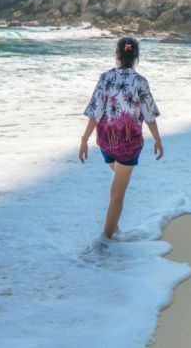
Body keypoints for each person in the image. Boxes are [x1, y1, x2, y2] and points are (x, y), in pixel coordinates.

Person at [79, 37, 163, 242]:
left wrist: (84, 139)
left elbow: (95, 111)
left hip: (106, 141)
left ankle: (113, 227)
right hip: (128, 143)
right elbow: (149, 115)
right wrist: (158, 140)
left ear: (117, 54)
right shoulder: (140, 82)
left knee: (116, 186)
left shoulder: (105, 77)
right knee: (118, 194)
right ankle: (105, 242)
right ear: (136, 56)